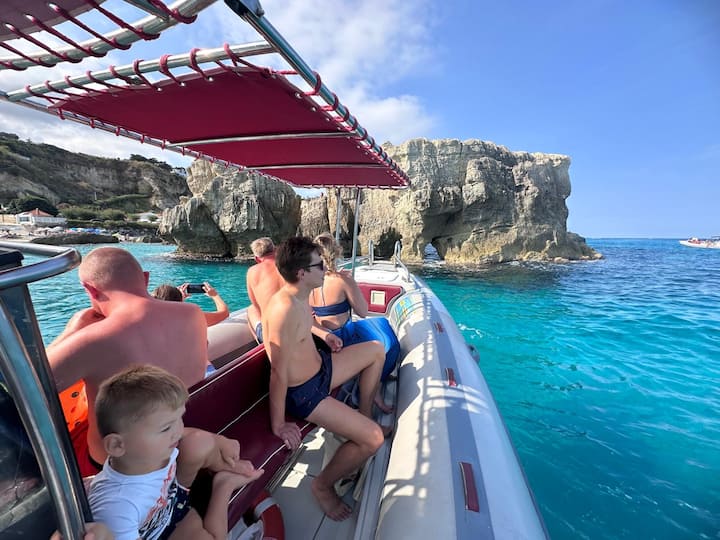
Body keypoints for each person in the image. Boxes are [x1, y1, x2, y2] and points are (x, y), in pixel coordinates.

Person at [46, 247, 209, 477]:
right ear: (146, 278)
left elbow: (24, 388)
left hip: (115, 468)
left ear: (90, 289)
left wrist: (71, 331)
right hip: (176, 442)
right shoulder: (193, 314)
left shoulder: (92, 340)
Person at [262, 236, 387, 521]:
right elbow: (278, 372)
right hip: (306, 393)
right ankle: (322, 485)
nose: (325, 268)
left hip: (322, 370)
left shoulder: (298, 296)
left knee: (375, 350)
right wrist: (279, 424)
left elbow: (305, 326)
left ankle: (364, 415)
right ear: (301, 273)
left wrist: (324, 334)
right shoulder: (283, 310)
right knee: (373, 439)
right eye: (319, 265)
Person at [88, 365, 263, 540]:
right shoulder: (118, 509)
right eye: (166, 428)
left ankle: (223, 474)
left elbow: (187, 434)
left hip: (170, 503)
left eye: (179, 418)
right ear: (117, 445)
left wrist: (222, 443)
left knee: (199, 442)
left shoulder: (154, 448)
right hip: (152, 533)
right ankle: (224, 486)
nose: (178, 431)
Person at [311, 233, 400, 413]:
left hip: (321, 337)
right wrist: (351, 283)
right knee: (390, 342)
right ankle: (373, 387)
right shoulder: (342, 280)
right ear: (336, 253)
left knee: (381, 323)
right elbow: (363, 312)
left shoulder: (309, 281)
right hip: (344, 336)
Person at [245, 238, 285, 343]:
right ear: (275, 250)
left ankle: (263, 345)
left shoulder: (252, 272)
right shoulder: (289, 266)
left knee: (251, 310)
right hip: (297, 326)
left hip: (272, 333)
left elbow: (256, 304)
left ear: (257, 258)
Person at [152, 282, 230, 327]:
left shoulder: (152, 319)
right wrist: (214, 295)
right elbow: (224, 313)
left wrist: (180, 299)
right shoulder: (190, 317)